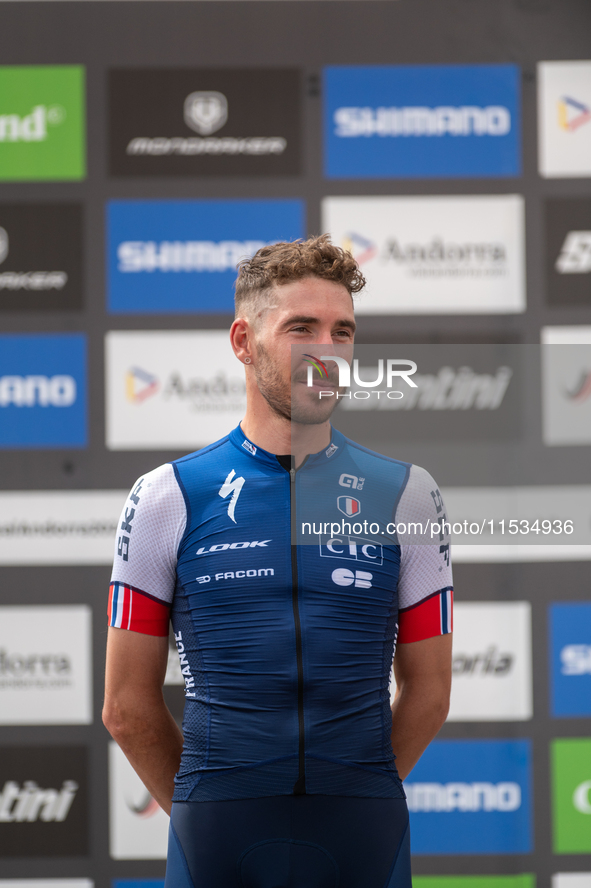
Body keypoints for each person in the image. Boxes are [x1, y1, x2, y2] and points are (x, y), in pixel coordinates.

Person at [103, 235, 453, 888]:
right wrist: (210, 798)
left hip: (352, 831)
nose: (326, 350)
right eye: (301, 327)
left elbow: (430, 692)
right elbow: (125, 705)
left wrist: (350, 787)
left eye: (341, 331)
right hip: (223, 833)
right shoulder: (166, 495)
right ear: (243, 341)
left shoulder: (407, 493)